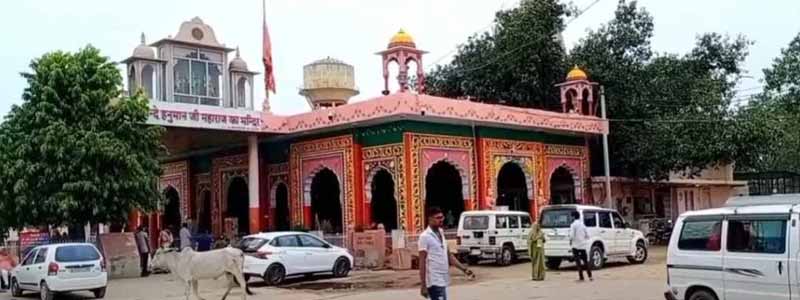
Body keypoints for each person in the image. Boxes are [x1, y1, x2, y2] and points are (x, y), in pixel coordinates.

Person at [419, 207, 474, 300]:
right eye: (438, 218)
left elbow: (449, 256)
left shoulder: (441, 232)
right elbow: (422, 262)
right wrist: (423, 285)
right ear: (430, 219)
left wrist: (464, 269)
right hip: (433, 280)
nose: (441, 220)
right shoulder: (424, 237)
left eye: (442, 217)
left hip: (443, 277)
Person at [569, 211, 592, 281]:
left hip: (575, 246)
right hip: (583, 246)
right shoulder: (583, 224)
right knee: (585, 261)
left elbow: (572, 236)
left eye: (572, 216)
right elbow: (587, 235)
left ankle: (581, 277)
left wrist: (570, 240)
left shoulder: (573, 225)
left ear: (573, 217)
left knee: (578, 262)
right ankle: (590, 276)